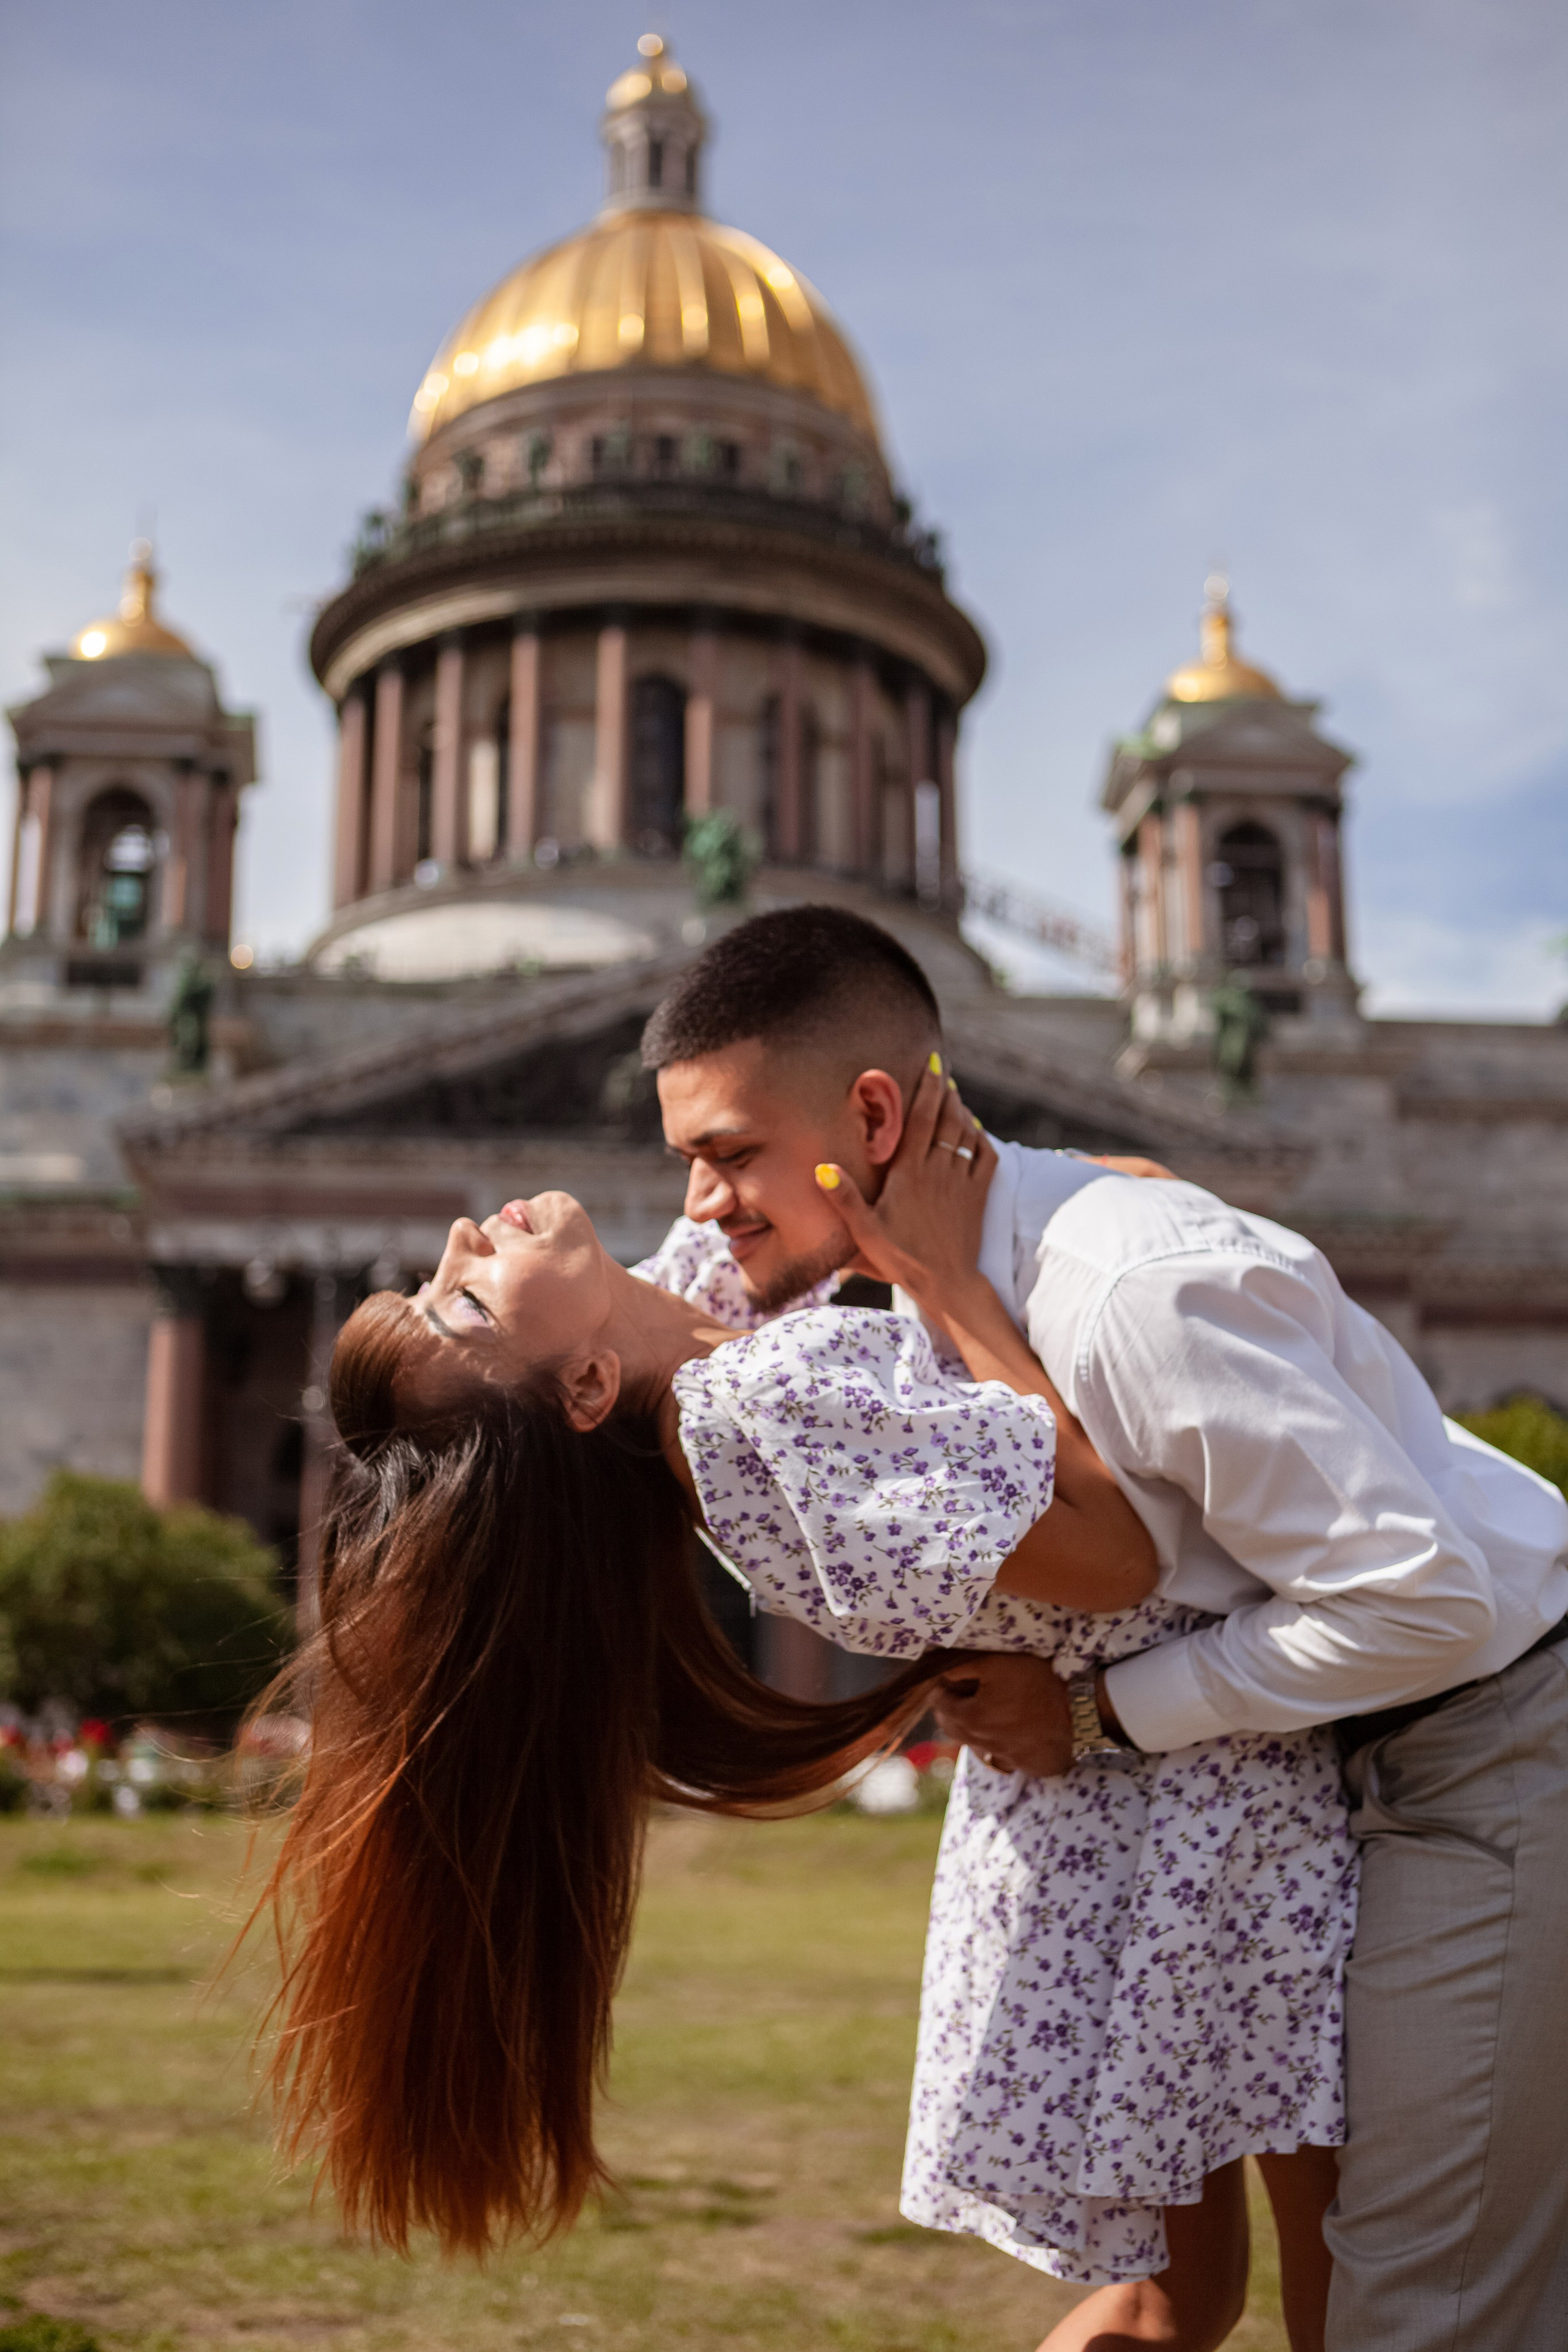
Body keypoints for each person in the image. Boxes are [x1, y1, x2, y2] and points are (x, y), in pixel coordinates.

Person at [641, 902, 1568, 2352]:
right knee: (1217, 2292)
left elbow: (1420, 1603)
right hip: (1331, 1780)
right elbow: (622, 1320)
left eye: (727, 1157)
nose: (700, 1207)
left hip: (1487, 1747)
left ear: (873, 1115)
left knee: (1418, 2308)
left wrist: (1098, 1716)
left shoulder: (1128, 1290)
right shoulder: (894, 1282)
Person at [254, 1150, 1153, 2265]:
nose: (457, 1234)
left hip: (1126, 1784)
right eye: (467, 1297)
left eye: (722, 1155)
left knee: (1174, 2299)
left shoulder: (683, 1331)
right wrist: (952, 1273)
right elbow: (1119, 1554)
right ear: (583, 1388)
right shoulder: (745, 1401)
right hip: (1179, 1773)